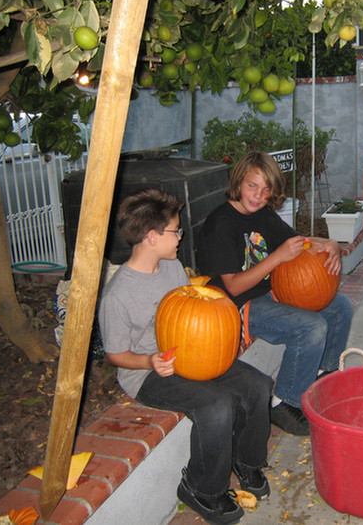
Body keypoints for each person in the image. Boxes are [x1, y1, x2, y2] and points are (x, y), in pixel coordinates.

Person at [98, 188, 273, 525]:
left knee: (257, 384)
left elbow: (191, 309)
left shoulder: (171, 266)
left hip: (190, 353)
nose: (180, 237)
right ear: (151, 237)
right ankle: (201, 488)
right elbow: (116, 354)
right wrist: (149, 362)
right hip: (150, 372)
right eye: (175, 231)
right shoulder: (118, 294)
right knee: (216, 405)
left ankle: (247, 461)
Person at [197, 150, 353, 436]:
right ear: (238, 181)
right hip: (237, 306)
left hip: (270, 294)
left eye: (266, 190)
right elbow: (233, 286)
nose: (258, 195)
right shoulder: (221, 224)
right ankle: (284, 401)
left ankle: (322, 374)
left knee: (339, 306)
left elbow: (299, 242)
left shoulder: (262, 216)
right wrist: (277, 258)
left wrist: (329, 242)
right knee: (312, 327)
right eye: (251, 186)